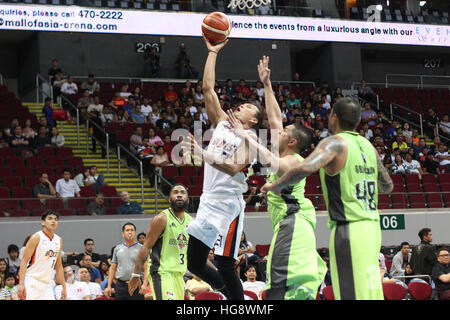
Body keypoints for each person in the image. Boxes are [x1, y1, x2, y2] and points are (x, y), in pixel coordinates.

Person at [262, 96, 394, 300]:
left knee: (349, 293)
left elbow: (304, 168)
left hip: (349, 228)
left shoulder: (335, 143)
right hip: (373, 228)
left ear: (334, 117)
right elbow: (387, 186)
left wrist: (274, 186)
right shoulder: (369, 147)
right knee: (369, 292)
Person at [227, 56, 326, 300]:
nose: (278, 131)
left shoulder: (294, 161)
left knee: (280, 284)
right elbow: (274, 117)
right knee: (284, 283)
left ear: (292, 142)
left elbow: (271, 161)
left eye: (283, 132)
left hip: (294, 222)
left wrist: (245, 134)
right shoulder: (284, 150)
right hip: (289, 223)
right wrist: (267, 84)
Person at [182, 37, 263, 301]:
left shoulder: (251, 139)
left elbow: (231, 168)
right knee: (194, 263)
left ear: (252, 120)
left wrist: (203, 153)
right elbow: (208, 89)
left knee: (225, 262)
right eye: (243, 103)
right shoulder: (221, 123)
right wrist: (213, 52)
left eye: (248, 107)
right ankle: (228, 294)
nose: (241, 105)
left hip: (228, 206)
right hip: (208, 200)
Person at [128, 184, 192, 300]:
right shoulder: (161, 219)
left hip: (179, 274)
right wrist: (136, 274)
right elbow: (146, 247)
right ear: (169, 199)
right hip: (161, 272)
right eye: (175, 192)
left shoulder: (191, 221)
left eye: (182, 192)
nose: (179, 195)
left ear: (187, 199)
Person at [18, 210, 66, 300]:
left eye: (56, 219)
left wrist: (64, 287)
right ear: (43, 222)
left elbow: (59, 266)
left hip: (47, 283)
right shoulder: (36, 237)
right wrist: (21, 284)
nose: (53, 221)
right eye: (50, 219)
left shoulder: (59, 240)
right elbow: (24, 261)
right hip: (32, 281)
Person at [105, 222, 144, 300]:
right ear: (123, 233)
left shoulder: (142, 248)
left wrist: (145, 284)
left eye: (132, 230)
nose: (130, 232)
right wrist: (108, 286)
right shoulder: (117, 248)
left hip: (137, 284)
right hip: (120, 285)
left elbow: (147, 268)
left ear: (135, 233)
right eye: (127, 230)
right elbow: (112, 268)